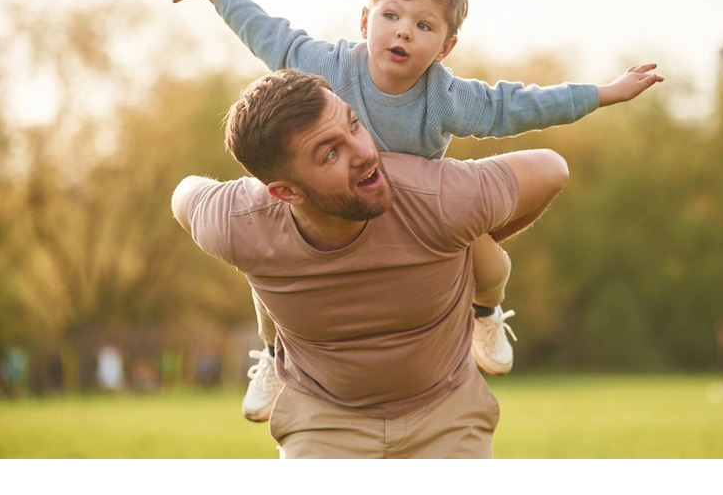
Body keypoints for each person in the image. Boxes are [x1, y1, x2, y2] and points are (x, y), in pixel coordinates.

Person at [147, 0, 664, 422]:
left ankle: (483, 315)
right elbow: (266, 32)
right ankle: (276, 357)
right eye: (391, 16)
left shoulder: (448, 98)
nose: (403, 33)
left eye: (424, 26)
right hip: (329, 208)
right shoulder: (324, 66)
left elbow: (519, 106)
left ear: (445, 47)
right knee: (268, 284)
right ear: (366, 20)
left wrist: (603, 94)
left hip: (412, 215)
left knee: (493, 267)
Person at [171, 69, 578, 457]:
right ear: (285, 192)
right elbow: (184, 196)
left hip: (447, 410)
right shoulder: (237, 223)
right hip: (322, 422)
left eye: (353, 125)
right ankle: (272, 354)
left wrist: (463, 245)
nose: (366, 153)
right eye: (331, 153)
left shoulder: (435, 198)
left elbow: (552, 169)